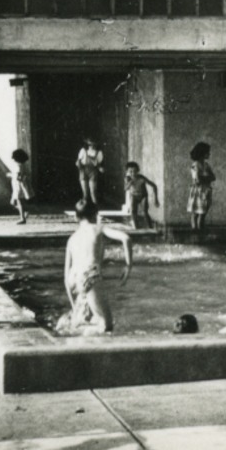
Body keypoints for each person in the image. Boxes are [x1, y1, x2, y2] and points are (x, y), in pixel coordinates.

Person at [62, 199, 133, 335]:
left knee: (88, 318)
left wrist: (73, 306)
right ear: (96, 215)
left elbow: (66, 278)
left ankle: (77, 328)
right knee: (107, 326)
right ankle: (80, 331)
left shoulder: (71, 239)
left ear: (76, 217)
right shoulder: (99, 228)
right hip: (90, 275)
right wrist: (128, 266)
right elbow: (126, 238)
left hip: (73, 279)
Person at [187, 141, 216, 229]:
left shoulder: (206, 165)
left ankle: (201, 230)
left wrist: (204, 177)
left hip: (205, 190)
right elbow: (198, 180)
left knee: (203, 213)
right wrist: (206, 178)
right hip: (198, 191)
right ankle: (195, 231)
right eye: (208, 152)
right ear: (202, 153)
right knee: (196, 213)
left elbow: (213, 177)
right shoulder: (195, 165)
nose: (209, 154)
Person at [122, 161, 159, 229]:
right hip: (134, 196)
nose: (133, 173)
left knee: (144, 212)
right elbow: (125, 189)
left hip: (143, 196)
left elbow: (154, 186)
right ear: (127, 172)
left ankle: (150, 227)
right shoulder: (127, 178)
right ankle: (136, 227)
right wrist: (131, 182)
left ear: (138, 171)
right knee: (133, 212)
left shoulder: (141, 178)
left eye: (135, 171)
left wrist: (156, 199)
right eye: (131, 171)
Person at [6, 148, 33, 224]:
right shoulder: (23, 165)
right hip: (18, 186)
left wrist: (10, 175)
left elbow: (19, 177)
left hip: (19, 186)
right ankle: (24, 212)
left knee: (18, 202)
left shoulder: (18, 167)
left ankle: (22, 218)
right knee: (15, 202)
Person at [75, 138, 103, 205]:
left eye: (93, 144)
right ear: (87, 144)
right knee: (85, 194)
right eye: (90, 144)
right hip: (84, 171)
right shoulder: (83, 151)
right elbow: (77, 162)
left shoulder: (99, 152)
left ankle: (95, 210)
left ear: (96, 144)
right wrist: (78, 165)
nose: (92, 146)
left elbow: (99, 164)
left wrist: (100, 168)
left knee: (93, 193)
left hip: (93, 172)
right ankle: (84, 210)